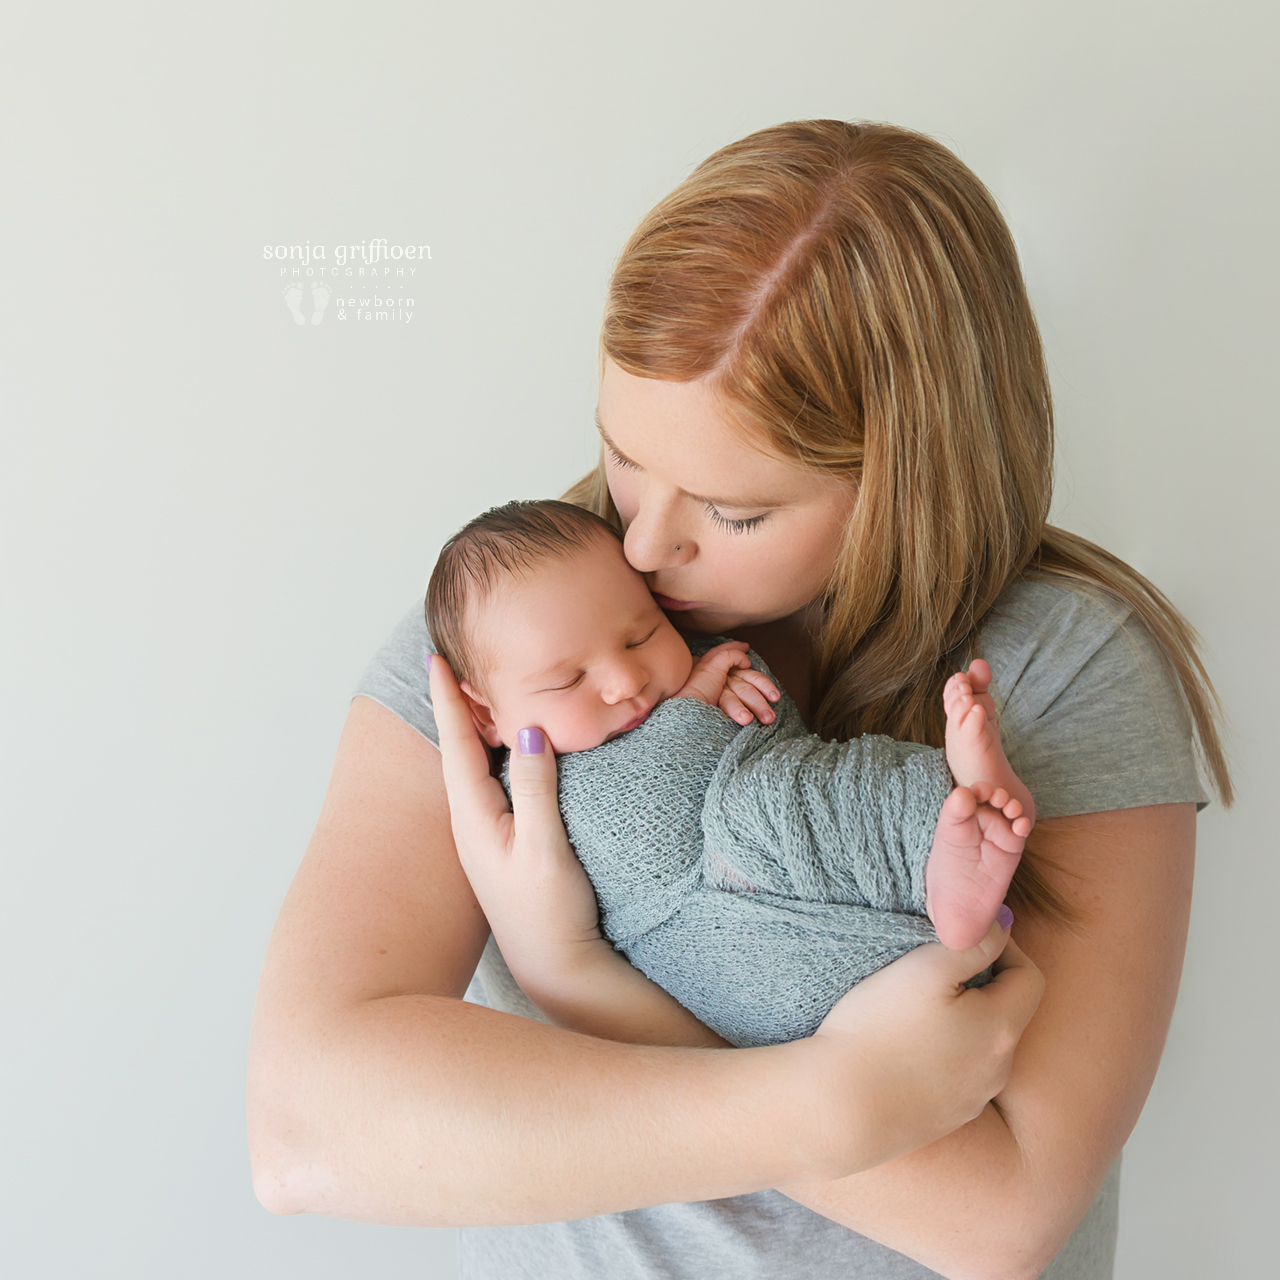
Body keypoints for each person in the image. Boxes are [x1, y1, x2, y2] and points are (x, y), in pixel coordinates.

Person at [248, 120, 1228, 1279]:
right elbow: (307, 1129)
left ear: (910, 478)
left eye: (733, 510)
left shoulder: (1060, 667)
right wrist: (825, 1099)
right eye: (624, 456)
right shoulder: (520, 624)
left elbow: (1001, 1218)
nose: (644, 544)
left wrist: (587, 982)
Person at [424, 495, 1036, 1049]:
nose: (626, 681)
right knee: (763, 804)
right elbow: (636, 837)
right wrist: (695, 715)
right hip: (743, 964)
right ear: (485, 713)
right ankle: (945, 840)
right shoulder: (529, 794)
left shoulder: (699, 665)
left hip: (873, 932)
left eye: (642, 636)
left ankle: (953, 837)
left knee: (815, 783)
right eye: (568, 680)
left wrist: (742, 694)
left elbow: (782, 738)